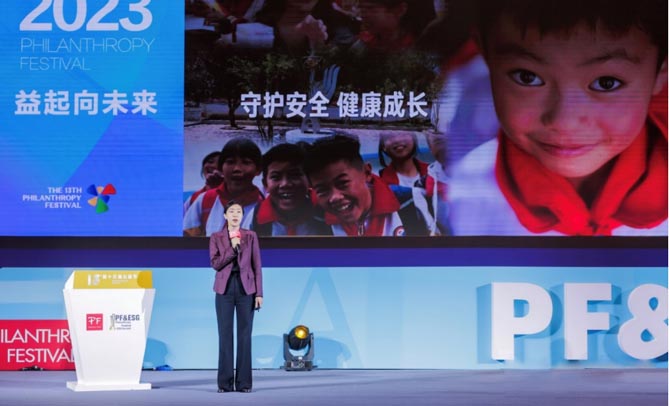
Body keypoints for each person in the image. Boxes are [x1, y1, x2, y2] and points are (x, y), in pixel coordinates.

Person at [448, 0, 668, 236]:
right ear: (485, 53)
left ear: (662, 71)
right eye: (527, 77)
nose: (564, 122)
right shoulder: (464, 193)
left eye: (606, 83)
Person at [303, 134, 431, 236]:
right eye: (322, 190)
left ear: (367, 173)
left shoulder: (409, 202)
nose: (335, 197)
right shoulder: (317, 218)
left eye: (343, 183)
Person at [210, 201, 263, 393]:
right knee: (225, 335)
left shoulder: (251, 236)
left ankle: (244, 383)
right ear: (225, 215)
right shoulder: (216, 237)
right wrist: (232, 249)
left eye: (238, 212)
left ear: (242, 216)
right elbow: (216, 264)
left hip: (246, 289)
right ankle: (225, 383)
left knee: (244, 335)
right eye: (231, 211)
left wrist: (259, 293)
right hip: (224, 289)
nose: (235, 214)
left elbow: (257, 265)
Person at [184, 137, 265, 236]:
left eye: (246, 162)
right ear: (221, 168)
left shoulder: (263, 207)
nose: (237, 169)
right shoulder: (205, 200)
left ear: (258, 170)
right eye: (230, 162)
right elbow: (187, 239)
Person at [250, 143, 332, 236]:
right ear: (265, 184)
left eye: (294, 175)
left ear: (309, 180)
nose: (285, 184)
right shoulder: (255, 218)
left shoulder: (326, 213)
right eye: (276, 177)